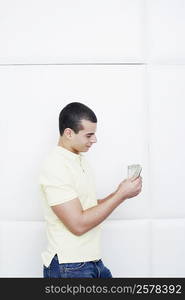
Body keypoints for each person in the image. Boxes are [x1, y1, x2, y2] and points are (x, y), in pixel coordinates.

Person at [39, 102, 142, 278]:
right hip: (69, 266)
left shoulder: (80, 160)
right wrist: (120, 195)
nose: (94, 140)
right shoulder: (55, 166)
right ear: (69, 133)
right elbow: (78, 224)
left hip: (91, 262)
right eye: (89, 135)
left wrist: (120, 192)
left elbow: (87, 208)